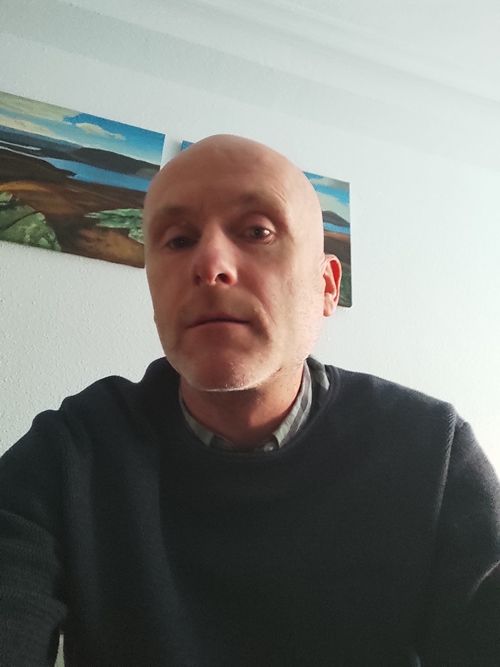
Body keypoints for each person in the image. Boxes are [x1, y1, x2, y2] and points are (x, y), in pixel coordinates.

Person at [0, 135, 498, 666]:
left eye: (258, 231)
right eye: (178, 240)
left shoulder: (430, 452)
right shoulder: (72, 453)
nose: (210, 264)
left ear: (327, 287)